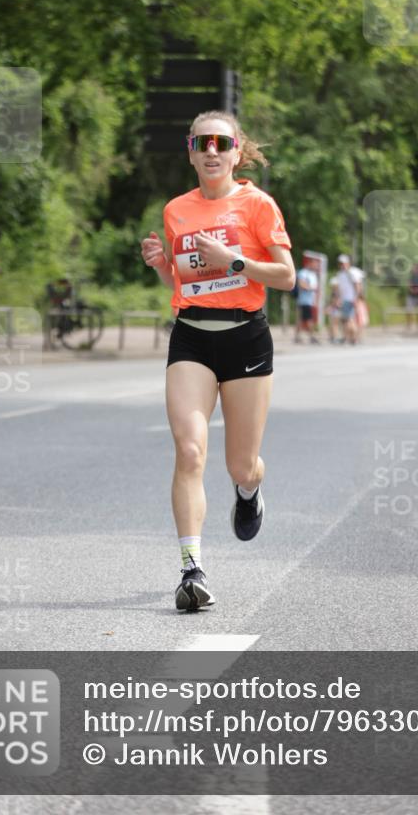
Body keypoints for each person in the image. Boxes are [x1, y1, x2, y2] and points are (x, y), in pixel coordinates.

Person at [140, 111, 295, 611]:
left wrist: (232, 261)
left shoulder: (257, 205)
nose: (211, 150)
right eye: (201, 142)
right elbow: (184, 285)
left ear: (235, 152)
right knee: (189, 451)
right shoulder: (176, 210)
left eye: (220, 143)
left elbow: (286, 276)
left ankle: (249, 490)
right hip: (191, 338)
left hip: (245, 339)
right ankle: (191, 570)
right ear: (190, 151)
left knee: (240, 464)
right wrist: (164, 266)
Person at [329, 254, 361, 345]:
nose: (342, 265)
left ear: (348, 263)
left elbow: (357, 286)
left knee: (348, 319)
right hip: (343, 300)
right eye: (340, 263)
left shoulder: (352, 273)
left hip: (350, 299)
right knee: (346, 320)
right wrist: (338, 299)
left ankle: (353, 337)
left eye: (343, 263)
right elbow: (339, 288)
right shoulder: (340, 274)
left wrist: (356, 298)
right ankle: (350, 338)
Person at [294, 257, 320, 344]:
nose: (316, 266)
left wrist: (315, 300)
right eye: (315, 264)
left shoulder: (313, 275)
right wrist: (310, 288)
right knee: (308, 319)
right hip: (304, 300)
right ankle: (312, 336)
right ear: (310, 263)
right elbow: (301, 284)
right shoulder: (303, 273)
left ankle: (297, 337)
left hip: (310, 301)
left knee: (302, 319)